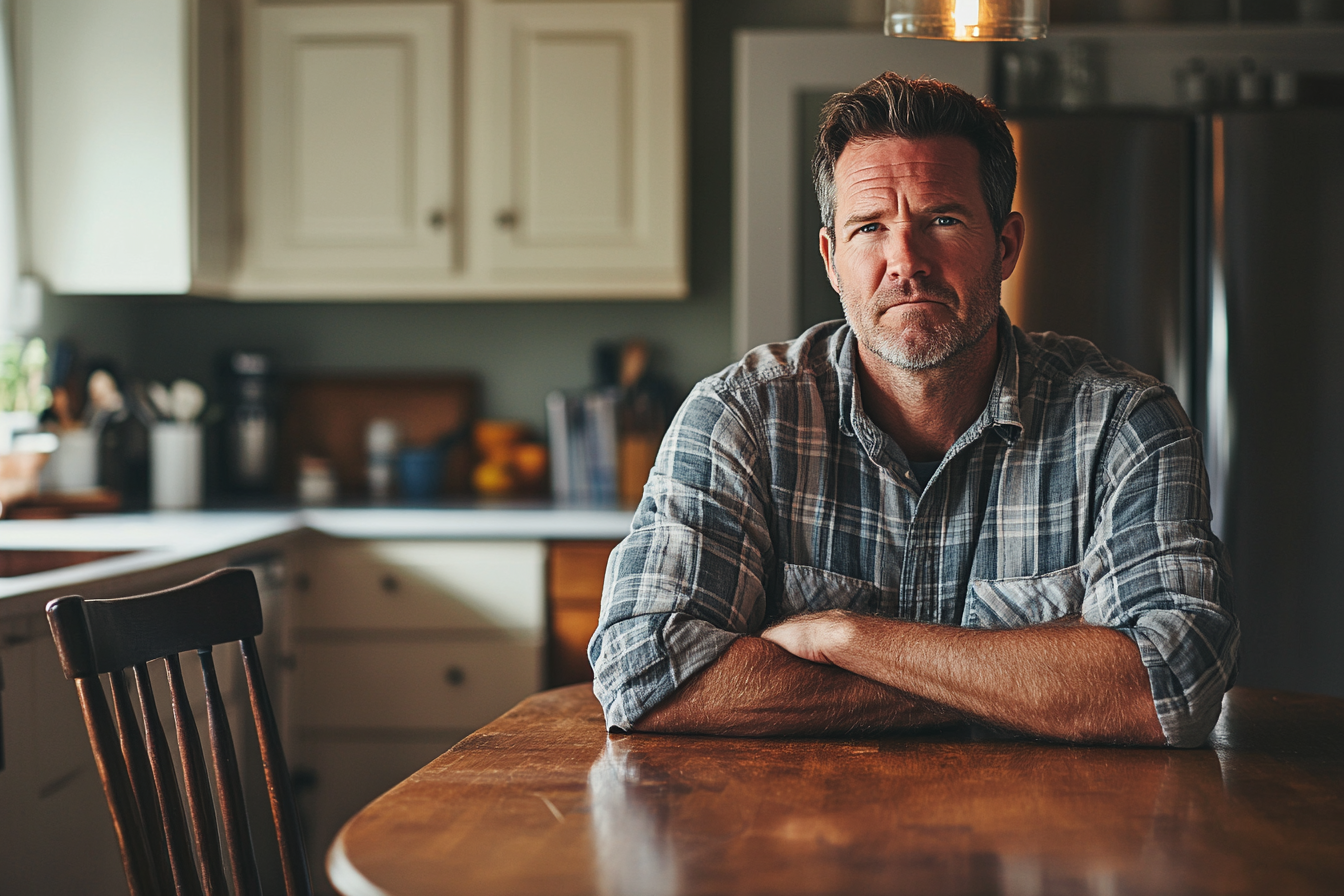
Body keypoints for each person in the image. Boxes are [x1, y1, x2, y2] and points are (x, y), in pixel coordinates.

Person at [588, 73, 1238, 748]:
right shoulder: (740, 418)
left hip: (1051, 844)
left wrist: (843, 637)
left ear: (1007, 245)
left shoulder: (1123, 425)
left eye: (942, 220)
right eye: (870, 227)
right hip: (796, 845)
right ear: (832, 259)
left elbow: (1173, 683)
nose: (906, 261)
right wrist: (1025, 683)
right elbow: (645, 673)